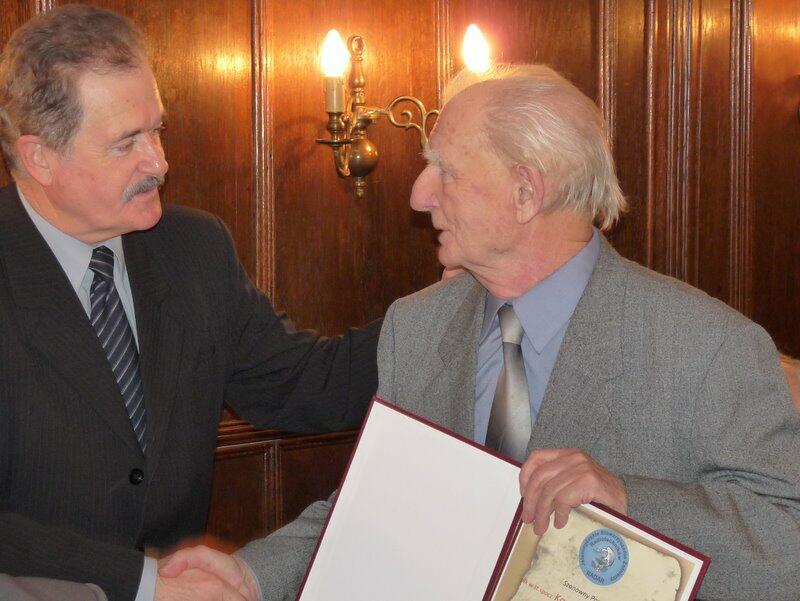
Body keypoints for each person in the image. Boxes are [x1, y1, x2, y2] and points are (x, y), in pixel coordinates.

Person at [166, 64, 800, 600]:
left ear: (526, 192)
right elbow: (384, 500)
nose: (419, 196)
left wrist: (629, 499)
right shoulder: (417, 327)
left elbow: (786, 539)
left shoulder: (706, 346)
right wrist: (253, 574)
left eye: (445, 170)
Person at [0, 5, 380, 600]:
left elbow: (309, 384)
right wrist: (145, 584)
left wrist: (456, 304)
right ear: (39, 157)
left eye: (156, 130)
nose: (159, 162)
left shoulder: (193, 248)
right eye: (126, 143)